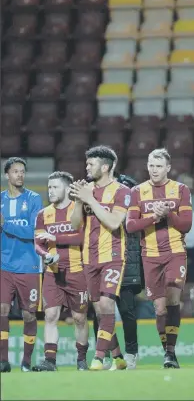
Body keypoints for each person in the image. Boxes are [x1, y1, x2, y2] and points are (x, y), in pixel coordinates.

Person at [126, 148, 192, 369]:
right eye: (151, 165)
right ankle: (167, 352)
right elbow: (131, 225)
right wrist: (154, 216)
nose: (154, 170)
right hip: (150, 256)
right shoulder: (137, 191)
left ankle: (171, 353)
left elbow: (187, 225)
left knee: (173, 298)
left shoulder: (181, 190)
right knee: (160, 309)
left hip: (175, 252)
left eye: (158, 166)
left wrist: (169, 214)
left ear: (168, 168)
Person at [70, 146, 131, 371]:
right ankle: (118, 356)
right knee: (99, 310)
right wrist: (78, 200)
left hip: (113, 255)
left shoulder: (122, 191)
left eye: (91, 164)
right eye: (86, 164)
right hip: (89, 256)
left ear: (105, 167)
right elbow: (75, 224)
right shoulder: (86, 190)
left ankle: (98, 357)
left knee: (106, 304)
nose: (87, 167)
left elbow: (114, 222)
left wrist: (91, 200)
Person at [33, 171, 89, 372]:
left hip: (77, 271)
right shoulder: (43, 214)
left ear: (67, 189)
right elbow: (38, 243)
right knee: (50, 316)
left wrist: (55, 239)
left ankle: (81, 359)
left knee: (79, 318)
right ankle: (50, 361)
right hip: (52, 272)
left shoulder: (79, 210)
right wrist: (44, 255)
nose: (51, 191)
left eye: (55, 187)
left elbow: (81, 239)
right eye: (49, 187)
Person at [93, 173, 143, 371]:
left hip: (128, 267)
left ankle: (131, 354)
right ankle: (105, 355)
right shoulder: (104, 210)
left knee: (127, 312)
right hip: (104, 263)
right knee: (99, 312)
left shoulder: (134, 214)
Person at [0, 157, 43, 373]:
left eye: (22, 171)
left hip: (29, 266)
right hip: (4, 265)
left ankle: (26, 361)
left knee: (29, 314)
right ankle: (3, 361)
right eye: (15, 171)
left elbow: (34, 233)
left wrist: (5, 224)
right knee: (2, 310)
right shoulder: (0, 200)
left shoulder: (34, 199)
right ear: (7, 175)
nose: (20, 175)